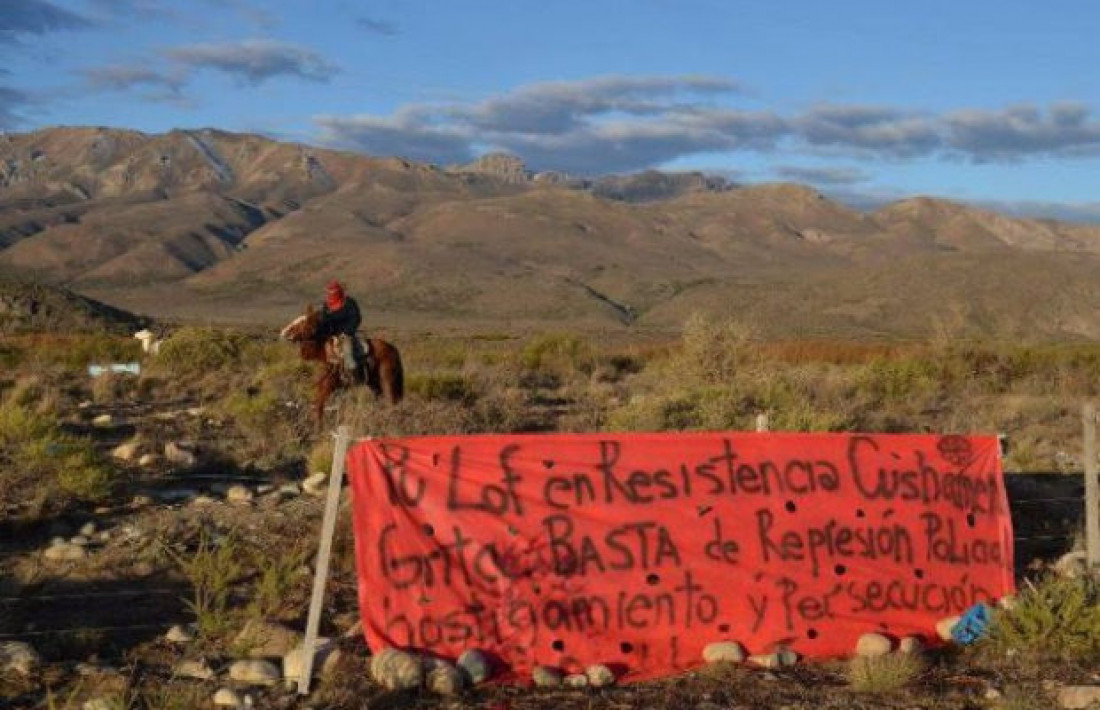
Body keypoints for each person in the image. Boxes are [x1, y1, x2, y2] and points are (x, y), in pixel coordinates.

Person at [317, 280, 366, 382]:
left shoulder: (349, 303)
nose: (331, 294)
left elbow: (355, 318)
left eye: (334, 292)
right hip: (331, 335)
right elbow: (324, 321)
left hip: (346, 334)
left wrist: (346, 332)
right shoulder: (327, 306)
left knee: (348, 354)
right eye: (329, 292)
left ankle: (356, 379)